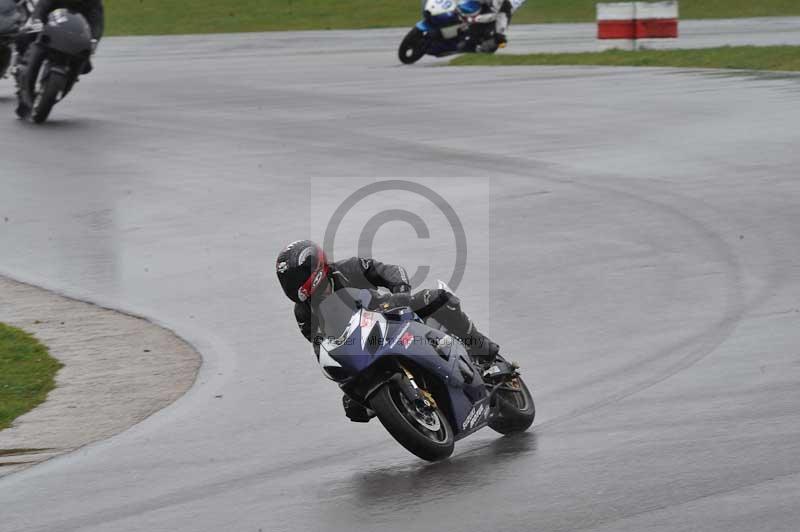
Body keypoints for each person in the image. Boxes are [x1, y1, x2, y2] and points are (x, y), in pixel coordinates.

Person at [276, 240, 500, 422]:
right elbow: (319, 344)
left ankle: (481, 349)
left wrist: (401, 291)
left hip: (389, 313)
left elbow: (388, 271)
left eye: (297, 278)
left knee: (439, 299)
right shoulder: (304, 312)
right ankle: (404, 406)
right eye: (288, 281)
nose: (293, 285)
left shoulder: (346, 269)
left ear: (315, 266)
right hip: (360, 346)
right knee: (353, 408)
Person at [14, 0, 104, 117]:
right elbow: (42, 6)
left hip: (74, 37)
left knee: (85, 63)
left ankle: (70, 78)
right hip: (49, 27)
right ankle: (20, 66)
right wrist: (37, 20)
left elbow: (97, 21)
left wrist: (94, 39)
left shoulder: (94, 2)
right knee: (25, 36)